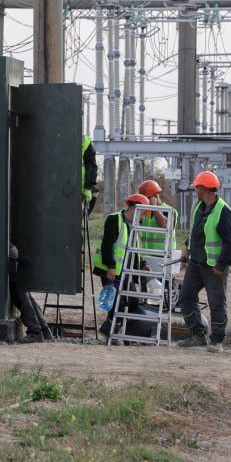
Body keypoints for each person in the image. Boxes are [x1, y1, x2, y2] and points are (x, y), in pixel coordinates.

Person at [176, 171, 231, 353]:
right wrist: (188, 249)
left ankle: (217, 340)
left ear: (204, 188)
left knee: (216, 302)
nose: (195, 190)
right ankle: (198, 335)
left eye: (197, 187)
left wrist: (221, 265)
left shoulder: (223, 211)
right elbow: (194, 232)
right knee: (186, 298)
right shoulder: (199, 207)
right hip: (196, 264)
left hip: (214, 267)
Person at [95, 193, 149, 337]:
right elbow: (107, 245)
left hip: (126, 272)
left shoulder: (133, 226)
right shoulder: (115, 219)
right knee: (117, 301)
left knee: (132, 301)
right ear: (136, 208)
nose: (143, 216)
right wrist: (111, 267)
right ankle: (111, 333)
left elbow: (134, 249)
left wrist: (141, 264)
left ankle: (111, 329)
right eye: (143, 213)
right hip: (112, 270)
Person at [82, 134, 99, 215]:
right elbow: (92, 166)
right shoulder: (84, 141)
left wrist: (88, 187)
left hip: (80, 188)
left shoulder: (85, 141)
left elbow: (91, 166)